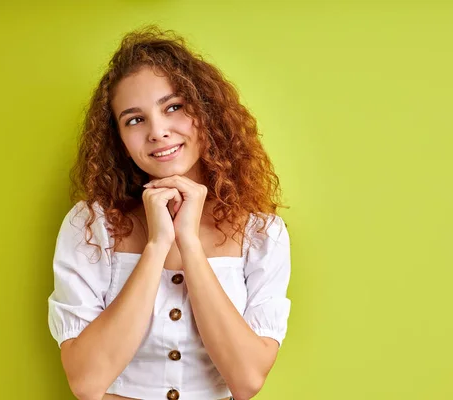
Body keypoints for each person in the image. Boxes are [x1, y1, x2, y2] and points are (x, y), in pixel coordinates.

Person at [47, 25, 292, 400]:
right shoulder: (90, 225)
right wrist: (158, 244)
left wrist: (189, 244)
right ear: (119, 139)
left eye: (173, 107)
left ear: (206, 113)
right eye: (134, 119)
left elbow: (246, 381)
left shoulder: (262, 233)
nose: (158, 131)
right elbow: (86, 381)